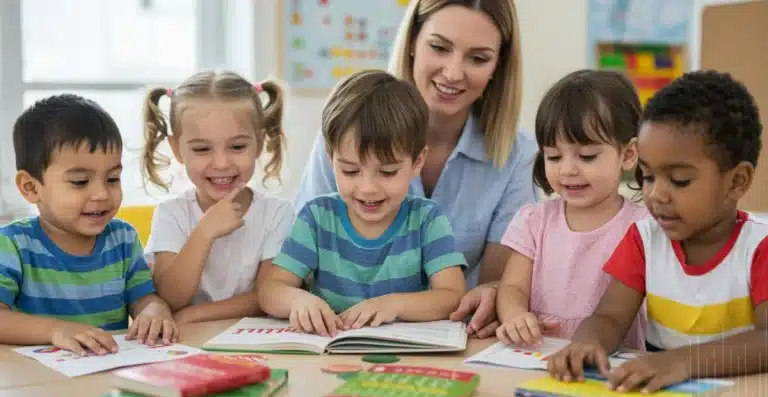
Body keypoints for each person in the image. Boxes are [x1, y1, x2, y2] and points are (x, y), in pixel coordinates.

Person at [294, 0, 537, 338]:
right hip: (339, 335)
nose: (453, 73)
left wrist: (493, 296)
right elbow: (300, 261)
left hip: (452, 338)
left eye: (478, 58)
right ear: (411, 43)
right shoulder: (346, 134)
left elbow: (496, 282)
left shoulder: (517, 155)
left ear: (499, 65)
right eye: (439, 48)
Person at [547, 70, 768, 393]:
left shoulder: (758, 248)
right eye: (648, 177)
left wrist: (682, 362)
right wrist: (587, 342)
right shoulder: (644, 240)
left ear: (736, 181)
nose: (655, 195)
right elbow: (609, 317)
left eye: (679, 180)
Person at [258, 70, 467, 336]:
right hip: (329, 351)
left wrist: (394, 304)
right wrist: (298, 300)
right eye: (350, 171)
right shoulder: (317, 217)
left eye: (388, 172)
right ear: (330, 158)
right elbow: (270, 291)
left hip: (404, 356)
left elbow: (451, 296)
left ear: (417, 162)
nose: (368, 188)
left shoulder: (427, 219)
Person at [0, 94, 178, 355]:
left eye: (112, 179)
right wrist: (55, 330)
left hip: (104, 374)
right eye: (80, 181)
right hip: (37, 382)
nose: (102, 194)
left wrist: (154, 311)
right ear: (31, 187)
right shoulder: (12, 245)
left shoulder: (123, 239)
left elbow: (143, 297)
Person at [495, 69, 647, 348]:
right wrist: (515, 315)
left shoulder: (644, 227)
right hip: (540, 357)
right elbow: (512, 286)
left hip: (611, 365)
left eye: (587, 156)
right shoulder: (534, 221)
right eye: (553, 156)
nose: (567, 170)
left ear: (627, 154)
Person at [141, 70, 294, 325]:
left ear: (259, 142)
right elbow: (170, 297)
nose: (222, 163)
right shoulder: (171, 214)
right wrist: (205, 232)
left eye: (237, 147)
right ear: (177, 149)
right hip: (187, 345)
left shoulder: (277, 214)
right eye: (202, 149)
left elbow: (268, 296)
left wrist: (194, 315)